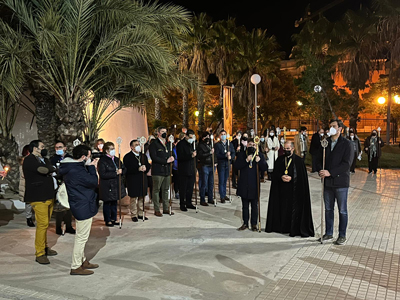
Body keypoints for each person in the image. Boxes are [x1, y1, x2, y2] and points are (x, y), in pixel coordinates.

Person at [59, 144, 99, 275]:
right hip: (82, 206)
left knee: (82, 236)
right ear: (83, 157)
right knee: (81, 237)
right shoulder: (77, 171)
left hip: (81, 203)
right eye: (88, 156)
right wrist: (92, 168)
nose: (90, 158)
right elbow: (93, 182)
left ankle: (83, 260)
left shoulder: (72, 167)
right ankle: (75, 266)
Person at [265, 141, 315, 237]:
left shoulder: (299, 161)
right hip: (282, 190)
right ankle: (282, 227)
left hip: (294, 191)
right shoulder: (279, 160)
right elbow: (275, 174)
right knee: (283, 209)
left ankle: (294, 228)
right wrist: (281, 177)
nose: (286, 150)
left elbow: (302, 178)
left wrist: (292, 178)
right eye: (285, 149)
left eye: (288, 149)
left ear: (292, 149)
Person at [317, 119, 353, 245]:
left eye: (334, 126)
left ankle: (342, 235)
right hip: (327, 183)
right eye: (330, 126)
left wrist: (330, 172)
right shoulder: (325, 143)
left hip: (340, 182)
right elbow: (319, 159)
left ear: (340, 129)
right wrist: (321, 171)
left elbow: (346, 164)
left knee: (342, 210)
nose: (331, 128)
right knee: (328, 209)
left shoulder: (347, 144)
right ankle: (328, 233)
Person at [23, 140, 57, 264]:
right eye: (42, 147)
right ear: (35, 148)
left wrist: (50, 168)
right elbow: (43, 170)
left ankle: (44, 247)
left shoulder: (44, 159)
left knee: (46, 224)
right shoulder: (29, 160)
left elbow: (50, 168)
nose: (44, 148)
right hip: (38, 197)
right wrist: (50, 169)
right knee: (42, 225)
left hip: (48, 195)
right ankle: (40, 253)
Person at [235, 138, 267, 231]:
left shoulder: (259, 155)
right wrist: (246, 160)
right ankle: (245, 223)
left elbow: (265, 167)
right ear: (247, 145)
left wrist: (260, 161)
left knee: (254, 206)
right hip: (244, 183)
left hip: (254, 184)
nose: (252, 146)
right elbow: (236, 166)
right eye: (250, 145)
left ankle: (254, 224)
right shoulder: (242, 154)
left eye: (253, 145)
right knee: (245, 206)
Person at [98, 142, 127, 226]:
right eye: (111, 149)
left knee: (114, 202)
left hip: (116, 184)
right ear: (106, 151)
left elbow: (124, 168)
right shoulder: (103, 160)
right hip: (107, 185)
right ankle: (108, 219)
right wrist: (115, 173)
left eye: (113, 148)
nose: (113, 150)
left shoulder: (117, 159)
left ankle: (114, 218)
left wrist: (122, 171)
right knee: (107, 203)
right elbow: (102, 174)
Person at [149, 126, 175, 216]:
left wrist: (172, 158)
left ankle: (166, 208)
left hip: (166, 170)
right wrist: (165, 161)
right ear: (158, 133)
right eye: (163, 131)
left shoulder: (168, 144)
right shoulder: (154, 144)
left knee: (165, 190)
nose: (165, 133)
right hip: (158, 170)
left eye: (166, 131)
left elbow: (171, 154)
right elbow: (154, 157)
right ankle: (156, 209)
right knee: (156, 190)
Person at [50, 141, 75, 235]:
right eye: (56, 148)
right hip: (58, 184)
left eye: (60, 147)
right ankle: (58, 227)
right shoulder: (53, 159)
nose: (58, 149)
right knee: (59, 208)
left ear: (65, 148)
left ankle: (68, 226)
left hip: (69, 184)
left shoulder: (70, 158)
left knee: (68, 206)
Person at [124, 139, 150, 222]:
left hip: (142, 179)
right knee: (133, 198)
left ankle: (140, 213)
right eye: (136, 145)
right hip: (133, 179)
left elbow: (148, 165)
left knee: (141, 197)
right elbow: (127, 169)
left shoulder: (143, 156)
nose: (138, 146)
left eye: (138, 144)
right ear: (131, 147)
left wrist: (146, 168)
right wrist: (137, 169)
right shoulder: (127, 157)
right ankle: (134, 214)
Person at [176, 129, 197, 211]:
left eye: (193, 137)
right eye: (190, 137)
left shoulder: (192, 144)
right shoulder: (181, 144)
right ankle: (182, 204)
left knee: (190, 187)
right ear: (186, 136)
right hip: (184, 169)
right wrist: (190, 156)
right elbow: (180, 157)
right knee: (183, 188)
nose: (191, 139)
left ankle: (189, 202)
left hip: (191, 169)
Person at [215, 130, 235, 203]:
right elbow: (217, 155)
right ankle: (222, 196)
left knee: (225, 180)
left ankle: (224, 193)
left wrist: (231, 157)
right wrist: (224, 155)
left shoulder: (229, 143)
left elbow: (233, 152)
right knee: (221, 180)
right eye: (222, 134)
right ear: (220, 136)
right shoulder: (217, 145)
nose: (223, 135)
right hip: (221, 164)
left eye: (224, 134)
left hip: (227, 164)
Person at [19, 145, 35, 227]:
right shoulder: (24, 161)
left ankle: (32, 217)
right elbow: (23, 174)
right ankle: (29, 218)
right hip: (27, 184)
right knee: (28, 202)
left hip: (33, 183)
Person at [197, 132, 215, 206]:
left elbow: (214, 154)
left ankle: (210, 198)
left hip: (211, 165)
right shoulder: (201, 145)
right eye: (206, 137)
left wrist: (215, 161)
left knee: (211, 183)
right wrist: (209, 153)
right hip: (205, 165)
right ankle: (202, 199)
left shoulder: (211, 144)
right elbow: (200, 155)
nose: (208, 138)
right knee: (204, 183)